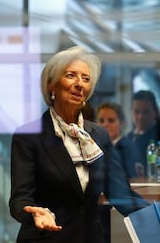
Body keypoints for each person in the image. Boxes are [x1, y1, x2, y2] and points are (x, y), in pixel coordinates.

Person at [9, 46, 149, 243]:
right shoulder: (29, 136)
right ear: (51, 85)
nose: (79, 84)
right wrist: (34, 214)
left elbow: (121, 194)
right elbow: (19, 200)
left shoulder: (98, 135)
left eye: (85, 78)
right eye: (70, 75)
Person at [125, 90, 160, 175]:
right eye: (137, 111)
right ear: (131, 111)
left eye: (146, 112)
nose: (140, 117)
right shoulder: (128, 139)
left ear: (155, 112)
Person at [96, 102, 145, 178]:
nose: (105, 124)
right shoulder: (94, 147)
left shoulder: (130, 149)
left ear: (122, 123)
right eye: (101, 121)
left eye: (111, 120)